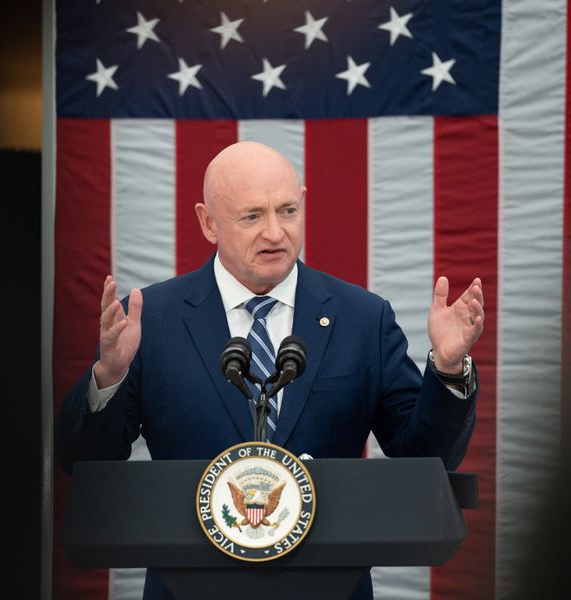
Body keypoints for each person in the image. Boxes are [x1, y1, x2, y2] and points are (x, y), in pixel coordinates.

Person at [56, 141, 484, 600]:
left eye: (287, 210)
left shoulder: (362, 317)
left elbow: (423, 455)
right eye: (252, 216)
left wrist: (447, 367)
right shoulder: (152, 320)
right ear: (207, 222)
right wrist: (110, 375)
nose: (275, 233)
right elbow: (83, 463)